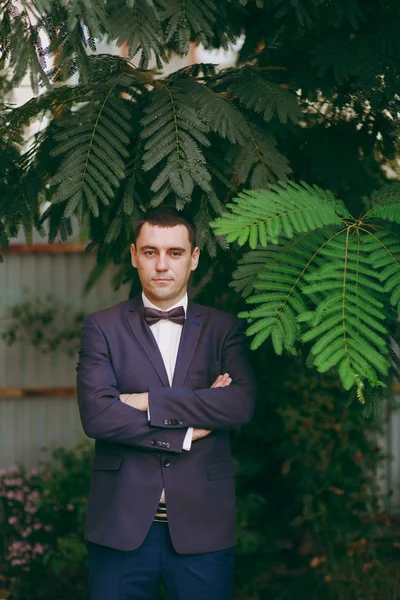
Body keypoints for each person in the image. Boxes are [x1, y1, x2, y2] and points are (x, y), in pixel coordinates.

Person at [76, 207, 257, 600]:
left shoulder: (225, 329)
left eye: (174, 253)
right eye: (151, 252)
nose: (162, 265)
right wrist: (188, 430)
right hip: (119, 527)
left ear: (193, 258)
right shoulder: (101, 327)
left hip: (203, 528)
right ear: (133, 255)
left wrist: (143, 400)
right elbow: (98, 416)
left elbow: (238, 406)